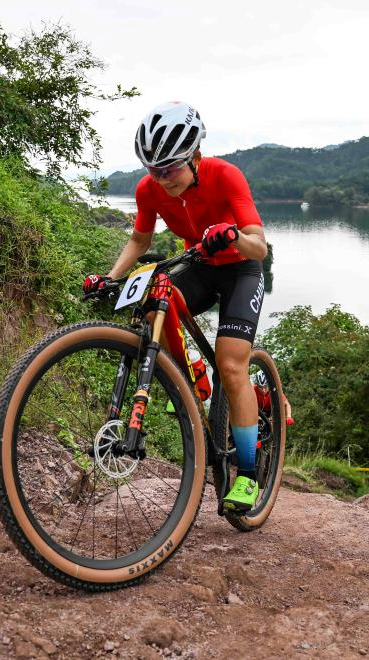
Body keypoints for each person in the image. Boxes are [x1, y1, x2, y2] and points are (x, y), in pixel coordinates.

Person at [84, 101, 268, 512]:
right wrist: (110, 278)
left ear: (195, 156)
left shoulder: (226, 175)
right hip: (200, 263)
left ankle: (247, 475)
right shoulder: (147, 190)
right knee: (155, 303)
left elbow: (259, 246)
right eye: (153, 169)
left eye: (170, 168)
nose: (162, 178)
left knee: (232, 366)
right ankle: (189, 376)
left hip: (241, 268)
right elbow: (140, 240)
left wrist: (233, 235)